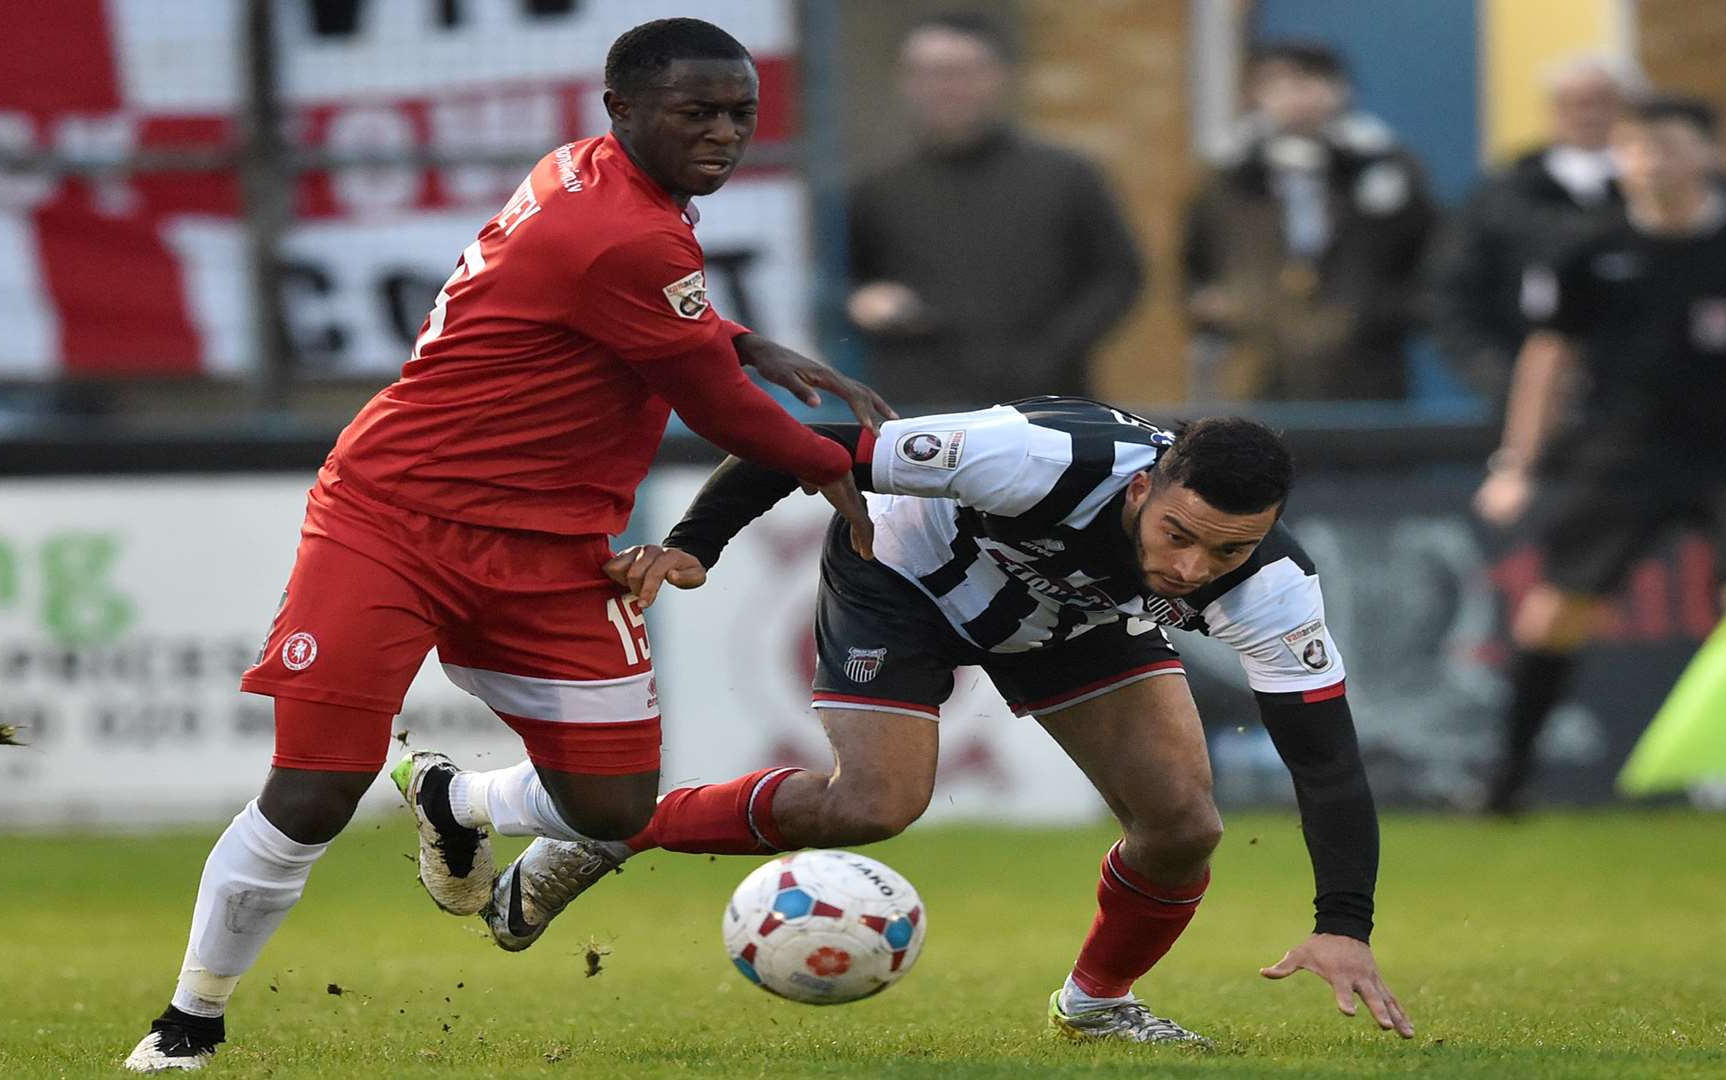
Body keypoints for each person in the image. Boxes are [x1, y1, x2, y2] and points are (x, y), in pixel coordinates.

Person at [121, 18, 893, 1073]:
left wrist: (746, 338)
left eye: (740, 114)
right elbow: (716, 405)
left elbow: (644, 324)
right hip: (394, 520)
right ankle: (187, 1023)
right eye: (696, 112)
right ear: (622, 111)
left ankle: (456, 798)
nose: (723, 132)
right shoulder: (629, 231)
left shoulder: (593, 180)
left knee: (612, 809)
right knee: (314, 787)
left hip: (552, 548)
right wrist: (835, 463)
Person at [423, 398, 1415, 1044]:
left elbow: (1324, 766)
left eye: (1227, 552)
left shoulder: (1275, 590)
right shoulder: (1032, 457)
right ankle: (519, 808)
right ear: (1145, 486)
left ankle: (1097, 1010)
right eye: (1180, 536)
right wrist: (695, 544)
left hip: (1070, 622)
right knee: (873, 804)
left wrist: (1345, 927)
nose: (1193, 570)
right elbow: (811, 440)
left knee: (1184, 827)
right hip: (904, 576)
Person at [1473, 96, 1726, 814]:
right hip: (1625, 453)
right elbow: (1549, 357)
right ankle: (1505, 786)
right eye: (1634, 148)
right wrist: (1518, 462)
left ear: (1707, 154)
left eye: (1665, 147)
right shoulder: (1590, 250)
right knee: (1553, 613)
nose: (1647, 163)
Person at [845, 13, 1143, 406]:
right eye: (930, 73)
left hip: (1046, 404)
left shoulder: (1066, 176)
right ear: (906, 82)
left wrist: (1051, 352)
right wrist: (867, 301)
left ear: (998, 76)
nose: (946, 88)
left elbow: (1118, 274)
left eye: (961, 72)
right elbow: (843, 281)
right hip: (921, 409)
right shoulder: (876, 188)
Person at [1183, 41, 1435, 401]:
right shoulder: (1229, 177)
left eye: (1309, 82)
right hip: (1259, 368)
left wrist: (1375, 316)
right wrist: (1228, 311)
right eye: (1278, 84)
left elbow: (1428, 260)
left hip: (1365, 369)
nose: (1296, 98)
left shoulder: (1385, 169)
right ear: (1256, 94)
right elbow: (1196, 265)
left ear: (1340, 90)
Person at [1432, 54, 1640, 404]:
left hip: (1645, 398)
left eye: (1603, 102)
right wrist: (1500, 378)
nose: (1588, 115)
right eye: (1573, 104)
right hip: (1523, 389)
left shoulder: (1673, 192)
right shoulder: (1504, 192)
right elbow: (1451, 292)